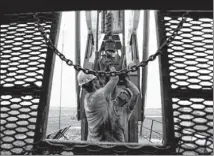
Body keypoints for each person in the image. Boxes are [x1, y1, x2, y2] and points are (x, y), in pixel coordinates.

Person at [77, 66, 119, 142]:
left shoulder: (86, 98)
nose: (98, 81)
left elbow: (101, 91)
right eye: (96, 80)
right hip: (102, 143)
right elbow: (115, 79)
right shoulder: (98, 95)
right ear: (93, 82)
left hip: (91, 141)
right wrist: (112, 67)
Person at [110, 77, 140, 142]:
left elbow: (136, 94)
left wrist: (125, 80)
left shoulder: (127, 110)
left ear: (127, 99)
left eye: (124, 93)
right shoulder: (111, 104)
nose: (121, 93)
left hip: (119, 144)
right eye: (121, 92)